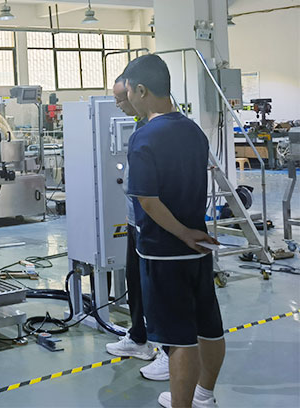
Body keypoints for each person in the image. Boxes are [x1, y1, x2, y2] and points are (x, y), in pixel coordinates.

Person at [123, 54, 225, 408]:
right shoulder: (194, 131)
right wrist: (191, 233)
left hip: (163, 250)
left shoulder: (145, 137)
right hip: (199, 247)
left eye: (129, 93)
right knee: (208, 326)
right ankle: (204, 395)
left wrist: (181, 232)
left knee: (179, 339)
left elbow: (148, 201)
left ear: (141, 90)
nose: (129, 100)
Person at [105, 77, 171, 382]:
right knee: (136, 280)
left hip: (154, 223)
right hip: (136, 220)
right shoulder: (141, 127)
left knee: (159, 288)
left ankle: (170, 351)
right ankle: (139, 338)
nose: (120, 104)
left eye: (123, 97)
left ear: (140, 92)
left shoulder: (164, 130)